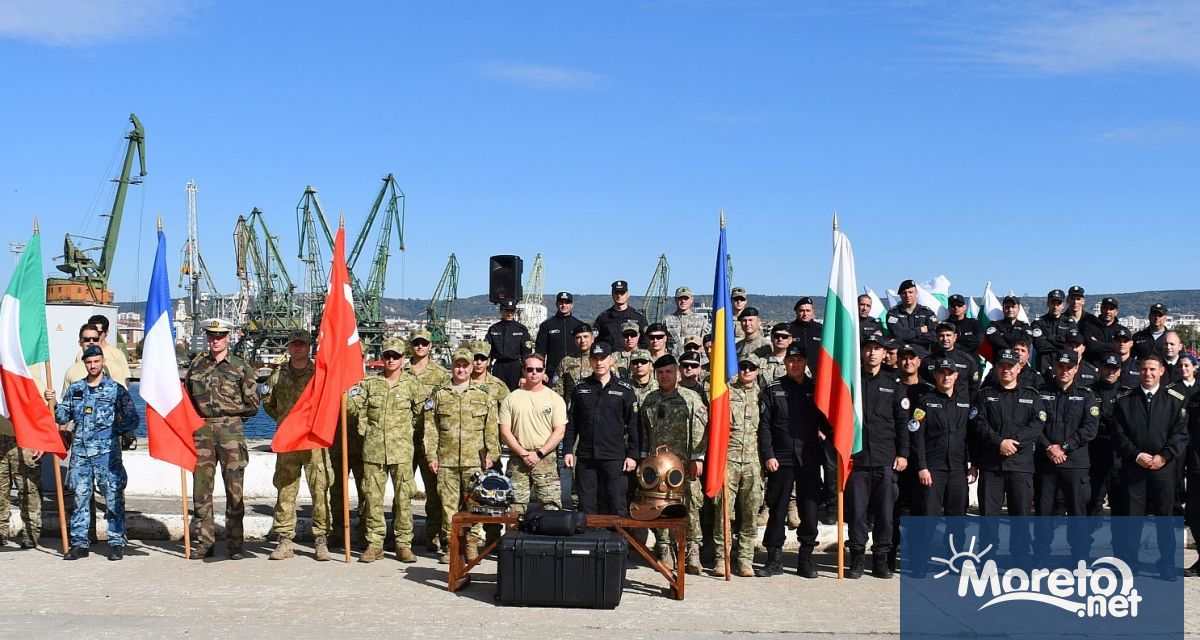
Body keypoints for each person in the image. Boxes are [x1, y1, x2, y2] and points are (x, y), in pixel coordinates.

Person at [48, 345, 138, 560]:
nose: (93, 365)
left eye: (96, 361)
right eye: (89, 362)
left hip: (107, 453)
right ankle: (80, 543)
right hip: (81, 454)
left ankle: (116, 541)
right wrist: (51, 401)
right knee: (80, 497)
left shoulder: (115, 389)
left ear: (102, 361)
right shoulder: (77, 389)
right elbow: (62, 417)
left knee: (113, 496)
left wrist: (113, 431)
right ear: (84, 364)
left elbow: (132, 418)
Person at [185, 318, 260, 560]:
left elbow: (253, 404)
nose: (215, 340)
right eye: (211, 335)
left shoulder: (240, 367)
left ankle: (235, 544)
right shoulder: (196, 366)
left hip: (230, 430)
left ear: (228, 337)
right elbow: (187, 400)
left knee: (234, 491)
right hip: (202, 431)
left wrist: (232, 420)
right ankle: (204, 542)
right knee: (201, 491)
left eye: (220, 336)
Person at [755, 343, 832, 578]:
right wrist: (768, 455)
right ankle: (774, 559)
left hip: (809, 458)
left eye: (799, 360)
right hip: (781, 458)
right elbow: (765, 426)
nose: (794, 364)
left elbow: (828, 421)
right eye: (791, 360)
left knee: (809, 510)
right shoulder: (773, 389)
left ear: (805, 362)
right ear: (785, 362)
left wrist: (827, 434)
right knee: (777, 510)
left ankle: (805, 559)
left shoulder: (817, 388)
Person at [347, 337, 425, 563]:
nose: (391, 360)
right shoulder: (369, 385)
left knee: (403, 500)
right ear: (382, 359)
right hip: (373, 452)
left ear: (403, 359)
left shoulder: (412, 385)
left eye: (396, 356)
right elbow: (351, 407)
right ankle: (375, 544)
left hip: (401, 453)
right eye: (387, 356)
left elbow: (422, 416)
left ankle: (403, 544)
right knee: (372, 500)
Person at [1111, 354, 1189, 578]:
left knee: (1165, 519)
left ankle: (1166, 564)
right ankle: (1130, 564)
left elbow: (1180, 435)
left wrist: (1163, 457)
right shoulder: (1125, 400)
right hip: (1134, 468)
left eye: (1153, 370)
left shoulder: (1175, 399)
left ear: (1162, 371)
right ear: (1138, 370)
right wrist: (1137, 456)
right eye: (1144, 369)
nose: (1148, 374)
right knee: (1132, 520)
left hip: (1163, 470)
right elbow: (1118, 434)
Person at [422, 348, 501, 563]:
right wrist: (431, 456)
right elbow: (431, 428)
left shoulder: (483, 395)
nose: (461, 369)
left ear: (470, 367)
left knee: (476, 505)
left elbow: (491, 428)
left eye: (465, 365)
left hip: (475, 461)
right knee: (448, 506)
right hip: (446, 460)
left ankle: (472, 542)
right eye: (457, 365)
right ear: (452, 366)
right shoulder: (439, 395)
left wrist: (491, 454)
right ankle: (452, 546)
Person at [263, 329, 333, 562]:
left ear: (309, 347)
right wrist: (287, 423)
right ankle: (284, 541)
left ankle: (321, 540)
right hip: (288, 441)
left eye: (302, 344)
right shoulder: (278, 375)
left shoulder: (320, 374)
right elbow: (269, 404)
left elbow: (330, 403)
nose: (298, 348)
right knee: (285, 489)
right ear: (289, 347)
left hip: (314, 442)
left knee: (319, 491)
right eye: (294, 345)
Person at [971, 348, 1044, 560]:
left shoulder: (1031, 395)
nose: (1006, 370)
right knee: (988, 517)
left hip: (1020, 466)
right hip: (992, 466)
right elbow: (978, 424)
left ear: (1019, 368)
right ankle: (987, 559)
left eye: (1010, 366)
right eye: (1002, 366)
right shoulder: (985, 395)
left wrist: (1014, 442)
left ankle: (1020, 559)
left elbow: (1037, 424)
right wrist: (999, 442)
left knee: (1020, 517)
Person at [846, 335, 909, 579]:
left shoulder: (893, 384)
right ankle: (857, 560)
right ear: (862, 353)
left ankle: (881, 560)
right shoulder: (851, 382)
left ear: (885, 354)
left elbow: (902, 423)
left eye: (877, 349)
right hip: (857, 460)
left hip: (885, 459)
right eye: (868, 348)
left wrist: (903, 453)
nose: (872, 353)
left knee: (885, 514)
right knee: (858, 513)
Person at [640, 354, 708, 574]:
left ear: (677, 373)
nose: (664, 376)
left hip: (685, 465)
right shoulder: (649, 399)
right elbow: (643, 432)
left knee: (691, 506)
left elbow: (701, 430)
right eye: (660, 372)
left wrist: (698, 457)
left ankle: (692, 552)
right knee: (660, 505)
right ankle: (665, 550)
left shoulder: (690, 398)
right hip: (658, 468)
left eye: (669, 371)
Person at [561, 343, 640, 516]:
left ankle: (617, 542)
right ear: (590, 361)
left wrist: (633, 455)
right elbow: (572, 423)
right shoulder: (580, 389)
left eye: (603, 358)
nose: (599, 363)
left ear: (611, 360)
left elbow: (633, 425)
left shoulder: (624, 390)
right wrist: (567, 450)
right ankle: (589, 542)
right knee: (587, 506)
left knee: (616, 504)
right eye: (595, 359)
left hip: (614, 457)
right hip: (586, 458)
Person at [712, 354, 763, 578]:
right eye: (743, 367)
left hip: (754, 462)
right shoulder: (726, 393)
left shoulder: (764, 395)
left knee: (750, 513)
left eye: (751, 368)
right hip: (729, 460)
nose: (746, 371)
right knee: (723, 513)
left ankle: (745, 560)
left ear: (758, 371)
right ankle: (722, 559)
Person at [1033, 351, 1099, 518]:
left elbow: (1090, 428)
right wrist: (1048, 447)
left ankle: (1079, 545)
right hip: (1046, 461)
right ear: (1055, 367)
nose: (1064, 371)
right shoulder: (1040, 392)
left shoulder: (1086, 395)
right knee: (1043, 510)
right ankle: (1041, 545)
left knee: (1077, 512)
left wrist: (1064, 447)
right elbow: (1033, 424)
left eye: (1069, 367)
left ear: (1076, 368)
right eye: (1061, 366)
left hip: (1075, 462)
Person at [500, 354, 567, 514]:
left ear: (544, 371)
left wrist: (539, 453)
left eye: (538, 369)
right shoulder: (511, 398)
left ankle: (550, 540)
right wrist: (523, 454)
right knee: (514, 508)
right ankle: (514, 539)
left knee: (551, 509)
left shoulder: (555, 399)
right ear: (523, 371)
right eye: (530, 369)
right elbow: (505, 431)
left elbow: (559, 432)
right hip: (518, 458)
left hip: (545, 459)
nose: (534, 373)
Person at [406, 328, 450, 553]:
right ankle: (401, 537)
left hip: (428, 439)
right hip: (402, 438)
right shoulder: (401, 369)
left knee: (433, 491)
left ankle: (433, 535)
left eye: (424, 343)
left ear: (430, 346)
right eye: (416, 343)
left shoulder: (441, 374)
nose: (420, 347)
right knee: (402, 490)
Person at [1087, 354, 1131, 517]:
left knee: (1119, 501)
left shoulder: (1127, 394)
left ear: (1119, 372)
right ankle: (1086, 540)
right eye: (1107, 368)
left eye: (1114, 369)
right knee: (1092, 500)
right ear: (1100, 368)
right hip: (1094, 451)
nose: (1110, 372)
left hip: (1118, 454)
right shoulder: (1088, 391)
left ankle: (1119, 541)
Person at [0, 398, 43, 549]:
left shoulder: (26, 377)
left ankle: (31, 533)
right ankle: (1, 532)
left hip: (24, 439)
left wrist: (40, 440)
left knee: (28, 489)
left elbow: (41, 413)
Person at [922, 322, 980, 404]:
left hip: (961, 408)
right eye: (941, 335)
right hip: (935, 406)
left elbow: (974, 387)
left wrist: (967, 405)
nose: (945, 339)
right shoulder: (928, 361)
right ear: (937, 338)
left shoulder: (967, 360)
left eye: (948, 335)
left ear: (955, 337)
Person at [485, 299, 532, 391]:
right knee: (497, 393)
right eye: (507, 310)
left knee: (515, 395)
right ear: (501, 310)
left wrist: (524, 375)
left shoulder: (521, 329)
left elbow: (526, 355)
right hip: (499, 366)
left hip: (515, 367)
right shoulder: (493, 329)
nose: (509, 313)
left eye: (512, 311)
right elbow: (487, 352)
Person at [535, 291, 585, 375]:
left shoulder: (579, 325)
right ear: (556, 304)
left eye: (567, 303)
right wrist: (540, 371)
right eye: (561, 302)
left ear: (572, 305)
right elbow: (540, 351)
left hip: (576, 370)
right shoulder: (547, 325)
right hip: (553, 372)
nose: (564, 305)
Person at [594, 280, 648, 350]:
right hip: (610, 358)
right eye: (616, 293)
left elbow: (645, 340)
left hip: (632, 357)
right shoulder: (603, 318)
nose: (619, 295)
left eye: (622, 293)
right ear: (612, 295)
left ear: (628, 294)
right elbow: (596, 341)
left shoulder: (638, 317)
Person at [1032, 289, 1074, 375]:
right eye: (1053, 303)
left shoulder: (1069, 323)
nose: (1055, 306)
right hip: (1044, 368)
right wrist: (1063, 344)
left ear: (1063, 305)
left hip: (1064, 368)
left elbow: (1072, 345)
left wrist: (1048, 339)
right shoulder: (1038, 323)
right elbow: (1040, 346)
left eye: (1058, 303)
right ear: (1048, 303)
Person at [885, 280, 937, 349]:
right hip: (901, 355)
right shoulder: (893, 313)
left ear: (916, 293)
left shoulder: (927, 313)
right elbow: (898, 334)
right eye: (904, 293)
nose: (907, 295)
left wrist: (905, 337)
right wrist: (920, 330)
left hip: (922, 355)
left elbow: (933, 336)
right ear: (900, 295)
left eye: (910, 292)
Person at [85, 314, 131, 388]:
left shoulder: (117, 354)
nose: (95, 336)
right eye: (93, 332)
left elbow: (125, 379)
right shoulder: (81, 354)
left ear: (106, 332)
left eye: (99, 333)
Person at [1079, 297, 1127, 366]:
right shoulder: (1089, 327)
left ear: (1116, 312)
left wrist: (1098, 343)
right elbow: (1091, 346)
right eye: (1105, 308)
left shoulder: (1122, 330)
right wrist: (1114, 346)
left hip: (1114, 369)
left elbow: (1124, 350)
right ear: (1101, 309)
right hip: (1092, 368)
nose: (1108, 311)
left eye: (1111, 309)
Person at [552, 324, 595, 399]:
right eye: (578, 337)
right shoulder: (566, 361)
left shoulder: (600, 360)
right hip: (571, 407)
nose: (582, 341)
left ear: (592, 338)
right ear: (574, 341)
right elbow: (557, 389)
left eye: (585, 337)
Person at [664, 286, 710, 355]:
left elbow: (705, 344)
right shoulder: (667, 320)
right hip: (674, 361)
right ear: (675, 299)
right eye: (680, 298)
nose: (683, 301)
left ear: (691, 300)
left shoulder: (701, 320)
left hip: (693, 361)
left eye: (686, 298)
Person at [787, 297, 823, 370]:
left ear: (813, 312)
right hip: (795, 372)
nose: (805, 314)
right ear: (796, 312)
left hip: (818, 373)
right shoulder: (788, 329)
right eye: (802, 311)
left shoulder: (821, 329)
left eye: (808, 311)